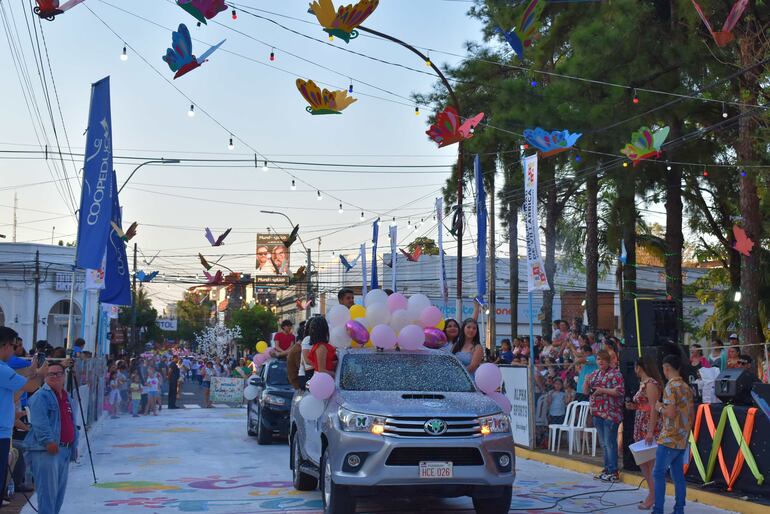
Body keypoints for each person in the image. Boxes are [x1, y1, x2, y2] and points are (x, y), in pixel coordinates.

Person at [24, 361, 79, 514]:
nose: (55, 376)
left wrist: (74, 444)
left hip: (65, 450)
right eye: (51, 374)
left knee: (58, 495)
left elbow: (72, 422)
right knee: (47, 494)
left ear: (64, 375)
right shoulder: (40, 396)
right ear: (45, 377)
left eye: (58, 373)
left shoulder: (67, 397)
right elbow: (40, 422)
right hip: (47, 451)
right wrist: (48, 441)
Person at [0, 328, 47, 505]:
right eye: (14, 346)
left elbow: (16, 389)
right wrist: (43, 372)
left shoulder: (4, 368)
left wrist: (32, 370)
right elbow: (31, 386)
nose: (14, 351)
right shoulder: (2, 369)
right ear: (5, 345)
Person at [653, 354, 694, 514]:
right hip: (682, 436)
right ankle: (679, 509)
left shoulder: (671, 387)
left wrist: (659, 407)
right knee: (678, 476)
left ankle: (658, 509)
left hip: (669, 437)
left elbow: (669, 413)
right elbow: (691, 412)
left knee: (658, 473)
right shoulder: (686, 387)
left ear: (667, 368)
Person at [625, 356, 663, 510]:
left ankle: (653, 495)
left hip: (648, 425)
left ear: (639, 367)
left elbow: (654, 407)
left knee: (648, 463)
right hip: (640, 422)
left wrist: (650, 431)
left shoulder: (651, 384)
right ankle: (652, 493)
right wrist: (633, 407)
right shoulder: (643, 384)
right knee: (643, 462)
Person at [586, 349, 625, 482]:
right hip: (597, 413)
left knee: (610, 443)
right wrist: (586, 381)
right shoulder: (594, 374)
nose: (600, 361)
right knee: (603, 443)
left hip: (610, 413)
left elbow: (620, 392)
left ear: (608, 361)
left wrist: (602, 390)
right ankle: (607, 468)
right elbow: (587, 392)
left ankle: (614, 470)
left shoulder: (616, 374)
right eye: (598, 359)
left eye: (603, 359)